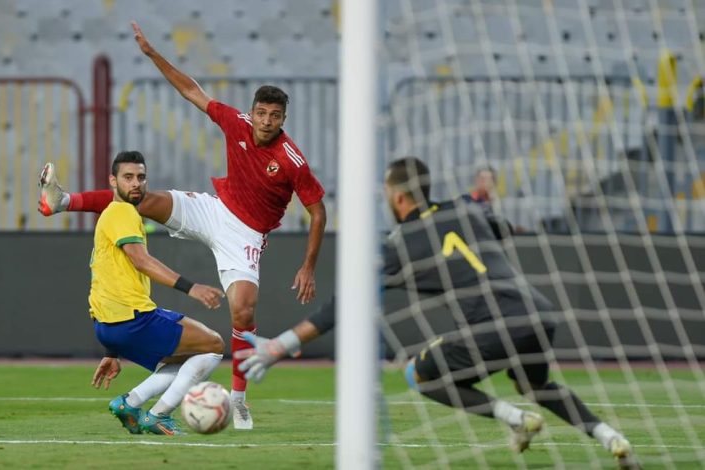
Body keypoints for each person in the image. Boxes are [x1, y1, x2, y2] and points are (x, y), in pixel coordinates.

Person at [237, 157, 638, 467]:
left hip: (493, 324)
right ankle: (611, 438)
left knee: (419, 374)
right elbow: (500, 228)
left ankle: (512, 418)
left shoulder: (401, 243)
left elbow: (347, 303)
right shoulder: (466, 209)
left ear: (396, 198)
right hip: (537, 313)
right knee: (537, 386)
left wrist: (281, 345)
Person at [38, 21, 327, 430]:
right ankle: (62, 200)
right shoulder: (237, 123)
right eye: (261, 113)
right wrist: (154, 55)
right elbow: (192, 91)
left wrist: (308, 265)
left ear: (283, 119)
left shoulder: (292, 160)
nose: (264, 121)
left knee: (243, 311)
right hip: (214, 209)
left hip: (245, 234)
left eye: (274, 116)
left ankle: (239, 400)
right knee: (139, 198)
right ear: (254, 110)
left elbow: (317, 210)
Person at [86, 150, 226, 436]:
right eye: (128, 177)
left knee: (186, 356)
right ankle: (158, 415)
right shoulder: (122, 211)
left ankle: (131, 403)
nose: (136, 183)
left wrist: (112, 349)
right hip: (132, 318)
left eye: (141, 177)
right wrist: (192, 288)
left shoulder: (113, 215)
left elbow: (106, 274)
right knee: (213, 345)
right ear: (112, 181)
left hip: (109, 324)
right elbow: (141, 260)